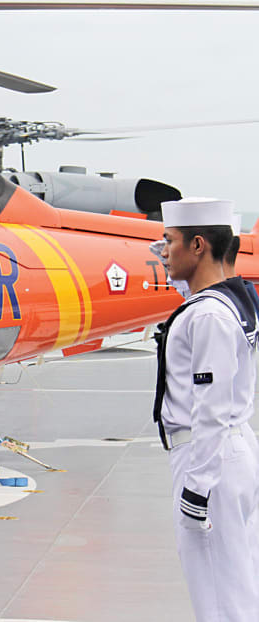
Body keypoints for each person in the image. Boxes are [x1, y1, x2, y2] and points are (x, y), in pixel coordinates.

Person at [154, 197, 259, 621]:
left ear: (198, 245)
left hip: (208, 458)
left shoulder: (208, 316)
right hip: (231, 453)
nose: (163, 252)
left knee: (219, 598)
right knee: (236, 582)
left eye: (170, 241)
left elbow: (211, 407)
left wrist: (197, 489)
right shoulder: (233, 301)